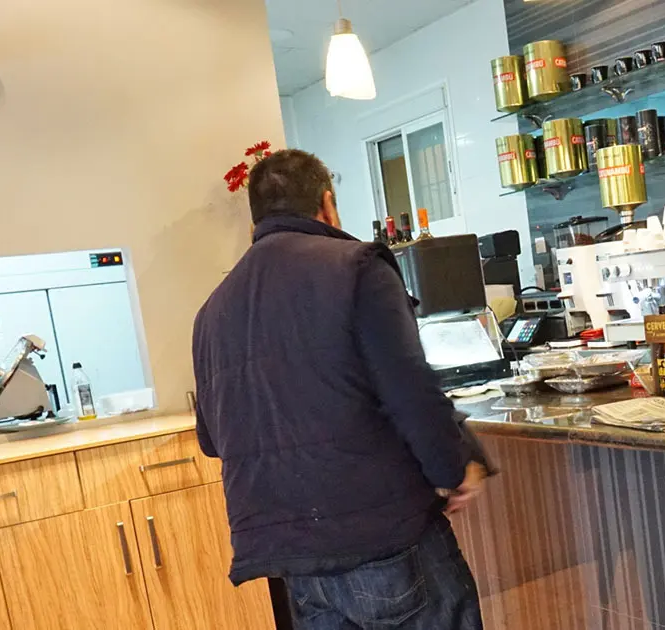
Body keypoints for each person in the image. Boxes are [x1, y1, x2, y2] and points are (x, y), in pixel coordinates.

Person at [192, 149, 489, 629]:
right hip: (379, 535)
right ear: (327, 205)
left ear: (254, 224)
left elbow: (212, 440)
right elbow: (410, 391)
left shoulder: (211, 311)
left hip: (294, 561)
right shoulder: (356, 267)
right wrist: (455, 468)